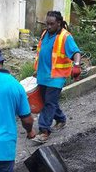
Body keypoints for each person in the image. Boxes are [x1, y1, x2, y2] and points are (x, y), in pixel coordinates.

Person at [32, 10, 82, 144]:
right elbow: (41, 54)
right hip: (43, 75)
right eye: (46, 23)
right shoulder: (45, 34)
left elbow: (76, 52)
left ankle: (44, 131)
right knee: (48, 102)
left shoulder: (65, 37)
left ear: (59, 23)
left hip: (56, 77)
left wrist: (76, 65)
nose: (48, 27)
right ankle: (60, 119)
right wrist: (37, 69)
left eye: (51, 24)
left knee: (48, 103)